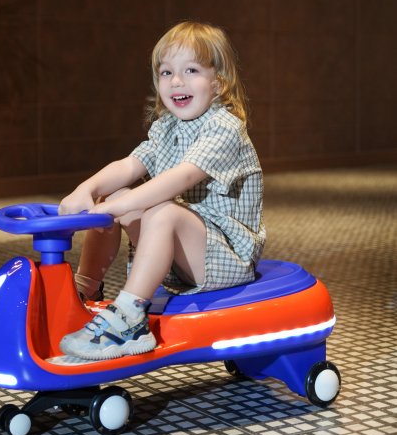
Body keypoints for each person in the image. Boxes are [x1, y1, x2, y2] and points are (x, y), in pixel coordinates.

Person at [58, 21, 266, 361]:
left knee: (161, 210)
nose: (177, 81)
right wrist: (87, 189)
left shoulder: (225, 127)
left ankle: (130, 320)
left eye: (191, 70)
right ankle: (84, 293)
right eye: (167, 72)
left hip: (225, 258)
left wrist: (120, 206)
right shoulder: (166, 125)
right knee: (114, 197)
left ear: (218, 83)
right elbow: (129, 166)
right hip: (181, 250)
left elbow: (182, 177)